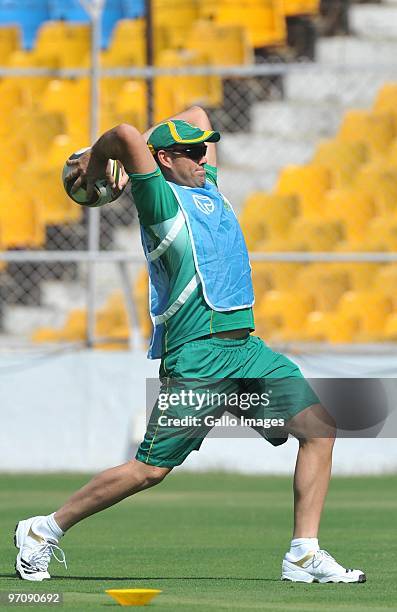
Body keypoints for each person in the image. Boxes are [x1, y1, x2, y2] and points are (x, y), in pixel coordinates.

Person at [14, 106, 365, 584]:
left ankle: (303, 553)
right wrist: (98, 162)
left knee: (320, 430)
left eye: (204, 150)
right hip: (198, 356)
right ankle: (43, 529)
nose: (202, 157)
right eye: (191, 152)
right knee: (150, 470)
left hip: (246, 351)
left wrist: (164, 141)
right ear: (161, 161)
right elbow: (123, 134)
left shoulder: (208, 188)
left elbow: (197, 112)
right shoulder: (158, 199)